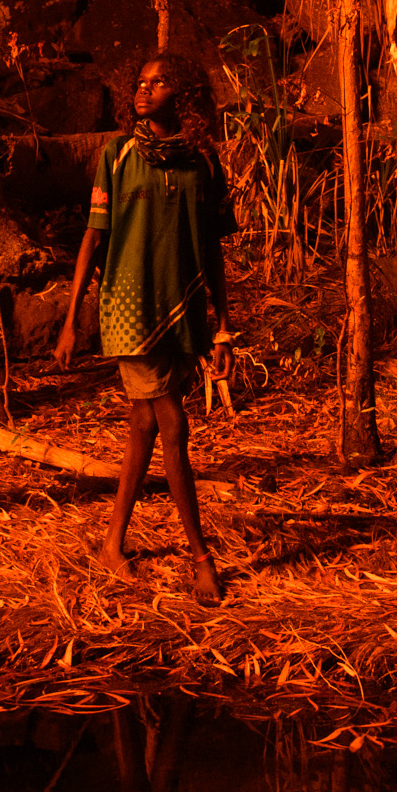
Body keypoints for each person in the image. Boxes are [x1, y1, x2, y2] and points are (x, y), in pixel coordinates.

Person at [53, 49, 237, 604]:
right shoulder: (117, 155)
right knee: (175, 428)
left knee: (144, 429)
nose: (144, 90)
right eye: (140, 81)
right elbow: (94, 237)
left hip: (181, 312)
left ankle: (112, 546)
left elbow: (211, 250)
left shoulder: (202, 163)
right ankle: (202, 558)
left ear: (180, 93)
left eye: (158, 83)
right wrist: (70, 319)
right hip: (129, 311)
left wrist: (224, 327)